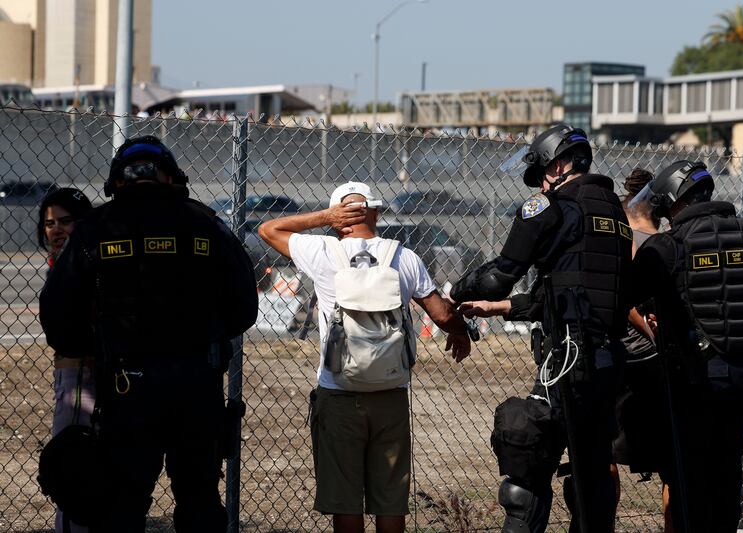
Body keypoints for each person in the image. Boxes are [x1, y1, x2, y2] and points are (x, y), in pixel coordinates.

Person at [39, 135, 258, 533]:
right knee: (200, 499)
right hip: (198, 383)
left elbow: (57, 313)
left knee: (123, 502)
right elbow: (245, 306)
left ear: (116, 181)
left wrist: (94, 346)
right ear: (170, 176)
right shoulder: (206, 222)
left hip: (126, 387)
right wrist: (204, 334)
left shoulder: (96, 228)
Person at [258, 181, 472, 533]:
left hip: (339, 389)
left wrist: (326, 217)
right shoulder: (404, 256)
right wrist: (460, 333)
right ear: (377, 211)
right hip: (390, 390)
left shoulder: (323, 251)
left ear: (339, 217)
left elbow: (269, 229)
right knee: (391, 498)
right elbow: (443, 315)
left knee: (345, 497)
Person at [451, 123, 632, 533]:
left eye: (544, 173)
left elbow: (500, 273)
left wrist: (455, 289)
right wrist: (500, 309)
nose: (542, 185)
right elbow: (569, 292)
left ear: (563, 163)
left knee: (526, 464)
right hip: (608, 364)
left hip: (569, 359)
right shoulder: (612, 214)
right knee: (592, 476)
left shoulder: (551, 208)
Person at [629, 160, 743, 531]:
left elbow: (625, 296)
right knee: (726, 475)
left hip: (694, 381)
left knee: (689, 480)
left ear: (673, 201)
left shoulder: (668, 246)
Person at [609, 169, 672, 527]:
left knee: (608, 453)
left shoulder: (623, 238)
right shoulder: (664, 241)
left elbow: (624, 299)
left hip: (624, 358)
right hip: (655, 359)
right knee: (671, 464)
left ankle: (606, 521)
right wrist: (654, 333)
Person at [38, 187, 94, 533]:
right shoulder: (62, 264)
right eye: (49, 223)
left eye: (66, 221)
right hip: (70, 374)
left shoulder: (83, 265)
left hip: (82, 375)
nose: (56, 229)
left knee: (74, 463)